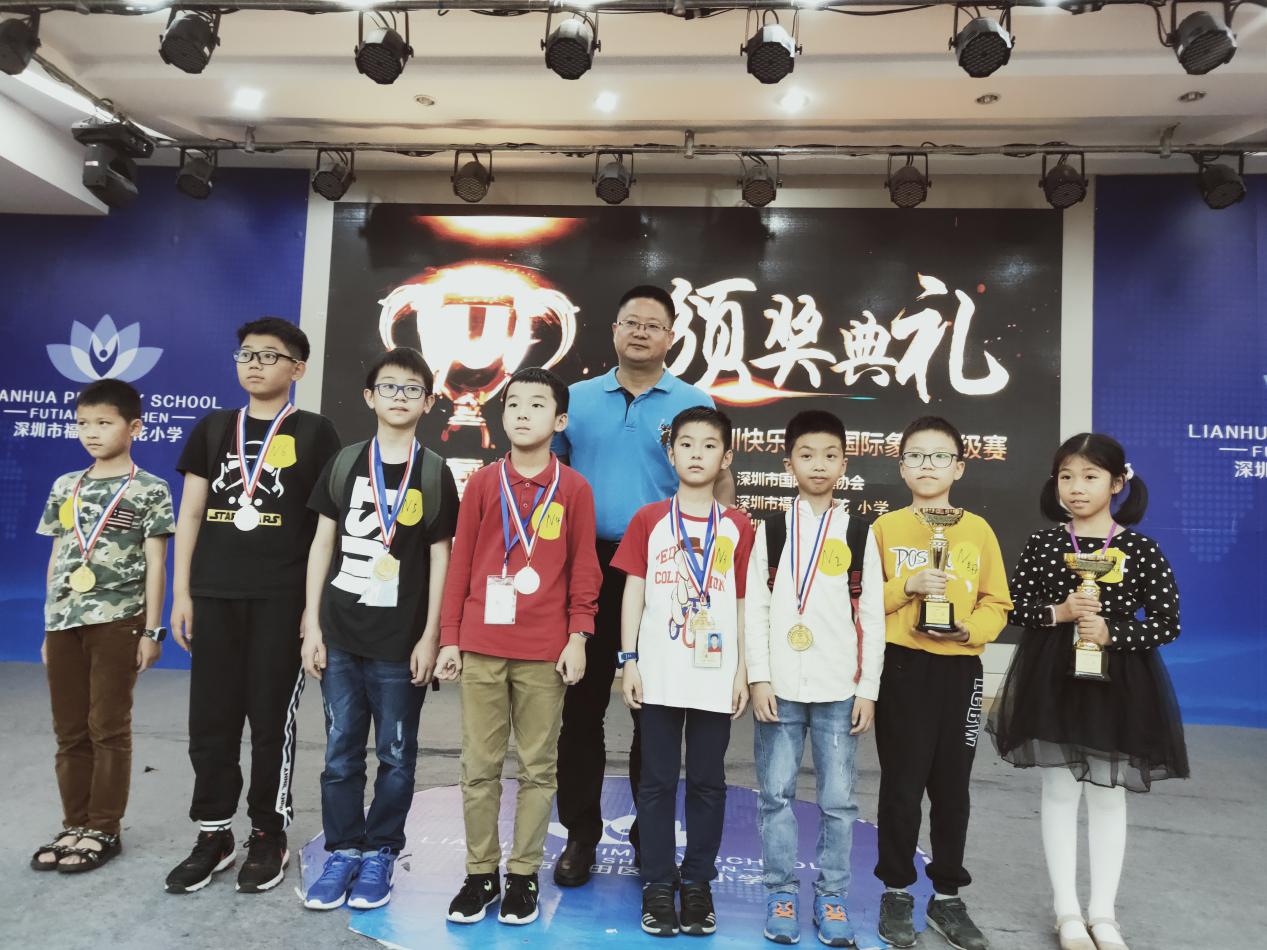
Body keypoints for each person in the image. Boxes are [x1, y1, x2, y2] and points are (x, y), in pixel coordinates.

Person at [987, 434, 1187, 950]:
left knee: (1108, 793)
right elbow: (1015, 606)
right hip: (1053, 679)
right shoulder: (1044, 544)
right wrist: (1060, 613)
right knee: (1058, 790)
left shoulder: (1140, 549)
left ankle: (1103, 913)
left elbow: (1166, 622)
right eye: (1066, 477)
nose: (1076, 488)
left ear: (1118, 484)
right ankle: (1067, 911)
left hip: (1118, 683)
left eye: (1090, 477)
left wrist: (1113, 633)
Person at [165, 317, 341, 895]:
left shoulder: (316, 432)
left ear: (298, 368)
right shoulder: (214, 428)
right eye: (246, 354)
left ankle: (269, 831)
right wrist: (182, 593)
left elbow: (326, 528)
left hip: (280, 598)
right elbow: (191, 513)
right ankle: (214, 831)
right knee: (210, 719)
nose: (255, 363)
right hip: (214, 594)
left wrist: (313, 608)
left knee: (270, 721)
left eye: (270, 355)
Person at [551, 284, 716, 886]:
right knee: (582, 706)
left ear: (671, 337)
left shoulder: (694, 402)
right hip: (587, 564)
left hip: (664, 565)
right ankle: (581, 835)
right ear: (614, 331)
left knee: (658, 711)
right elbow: (553, 477)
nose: (641, 332)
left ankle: (652, 839)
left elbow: (714, 485)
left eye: (654, 324)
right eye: (631, 322)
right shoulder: (575, 399)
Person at [438, 367, 602, 926]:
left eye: (537, 404)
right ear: (502, 414)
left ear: (560, 420)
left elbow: (585, 569)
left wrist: (578, 636)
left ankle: (524, 875)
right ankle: (480, 874)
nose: (523, 413)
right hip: (482, 644)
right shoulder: (485, 484)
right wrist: (450, 638)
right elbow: (461, 564)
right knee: (479, 766)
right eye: (513, 404)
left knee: (538, 768)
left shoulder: (574, 488)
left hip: (544, 651)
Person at [300, 346, 458, 911]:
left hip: (400, 642)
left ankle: (381, 852)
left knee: (395, 755)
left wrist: (431, 636)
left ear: (428, 402)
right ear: (369, 397)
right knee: (341, 753)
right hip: (340, 634)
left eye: (412, 389)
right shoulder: (345, 463)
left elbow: (441, 558)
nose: (399, 396)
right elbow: (321, 544)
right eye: (389, 386)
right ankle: (343, 849)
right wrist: (311, 625)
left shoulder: (435, 473)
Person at [745, 410, 886, 947]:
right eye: (807, 455)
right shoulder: (772, 529)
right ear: (789, 465)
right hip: (780, 687)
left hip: (838, 689)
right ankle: (780, 892)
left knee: (839, 802)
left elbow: (870, 616)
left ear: (845, 464)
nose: (818, 465)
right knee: (775, 796)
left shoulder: (859, 531)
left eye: (830, 456)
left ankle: (832, 897)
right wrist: (759, 679)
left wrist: (868, 689)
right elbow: (756, 609)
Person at [870, 416, 1012, 950]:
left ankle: (947, 896)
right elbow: (863, 602)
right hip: (902, 668)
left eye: (939, 456)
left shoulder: (979, 531)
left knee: (953, 789)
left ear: (959, 467)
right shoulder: (885, 529)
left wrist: (969, 630)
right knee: (902, 786)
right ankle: (896, 890)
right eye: (916, 456)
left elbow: (998, 602)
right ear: (901, 467)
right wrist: (906, 586)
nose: (927, 465)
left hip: (961, 670)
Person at [616, 406, 754, 937]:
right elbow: (634, 591)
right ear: (670, 453)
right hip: (658, 673)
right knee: (654, 783)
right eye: (687, 444)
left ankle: (697, 884)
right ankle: (657, 883)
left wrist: (743, 669)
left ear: (726, 457)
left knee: (707, 782)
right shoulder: (649, 520)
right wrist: (628, 660)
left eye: (709, 445)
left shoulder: (737, 525)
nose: (697, 454)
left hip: (715, 674)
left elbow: (743, 602)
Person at [30, 379, 174, 874]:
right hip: (63, 622)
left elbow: (157, 564)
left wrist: (152, 631)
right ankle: (74, 823)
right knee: (69, 730)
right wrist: (48, 623)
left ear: (134, 427)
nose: (91, 432)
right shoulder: (65, 485)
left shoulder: (149, 488)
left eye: (104, 423)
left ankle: (104, 828)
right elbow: (57, 556)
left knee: (107, 727)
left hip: (118, 621)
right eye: (83, 423)